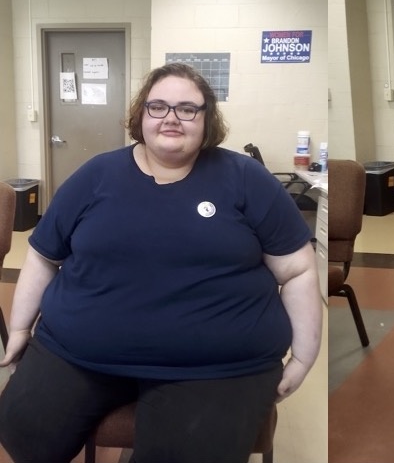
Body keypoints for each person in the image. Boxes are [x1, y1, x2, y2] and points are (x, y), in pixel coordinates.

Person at [0, 63, 322, 463]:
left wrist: (305, 356)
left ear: (207, 119)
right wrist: (18, 327)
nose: (171, 117)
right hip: (78, 351)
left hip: (215, 367)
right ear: (141, 115)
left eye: (188, 108)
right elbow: (44, 253)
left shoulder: (245, 179)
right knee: (24, 433)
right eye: (158, 106)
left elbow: (297, 269)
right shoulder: (96, 175)